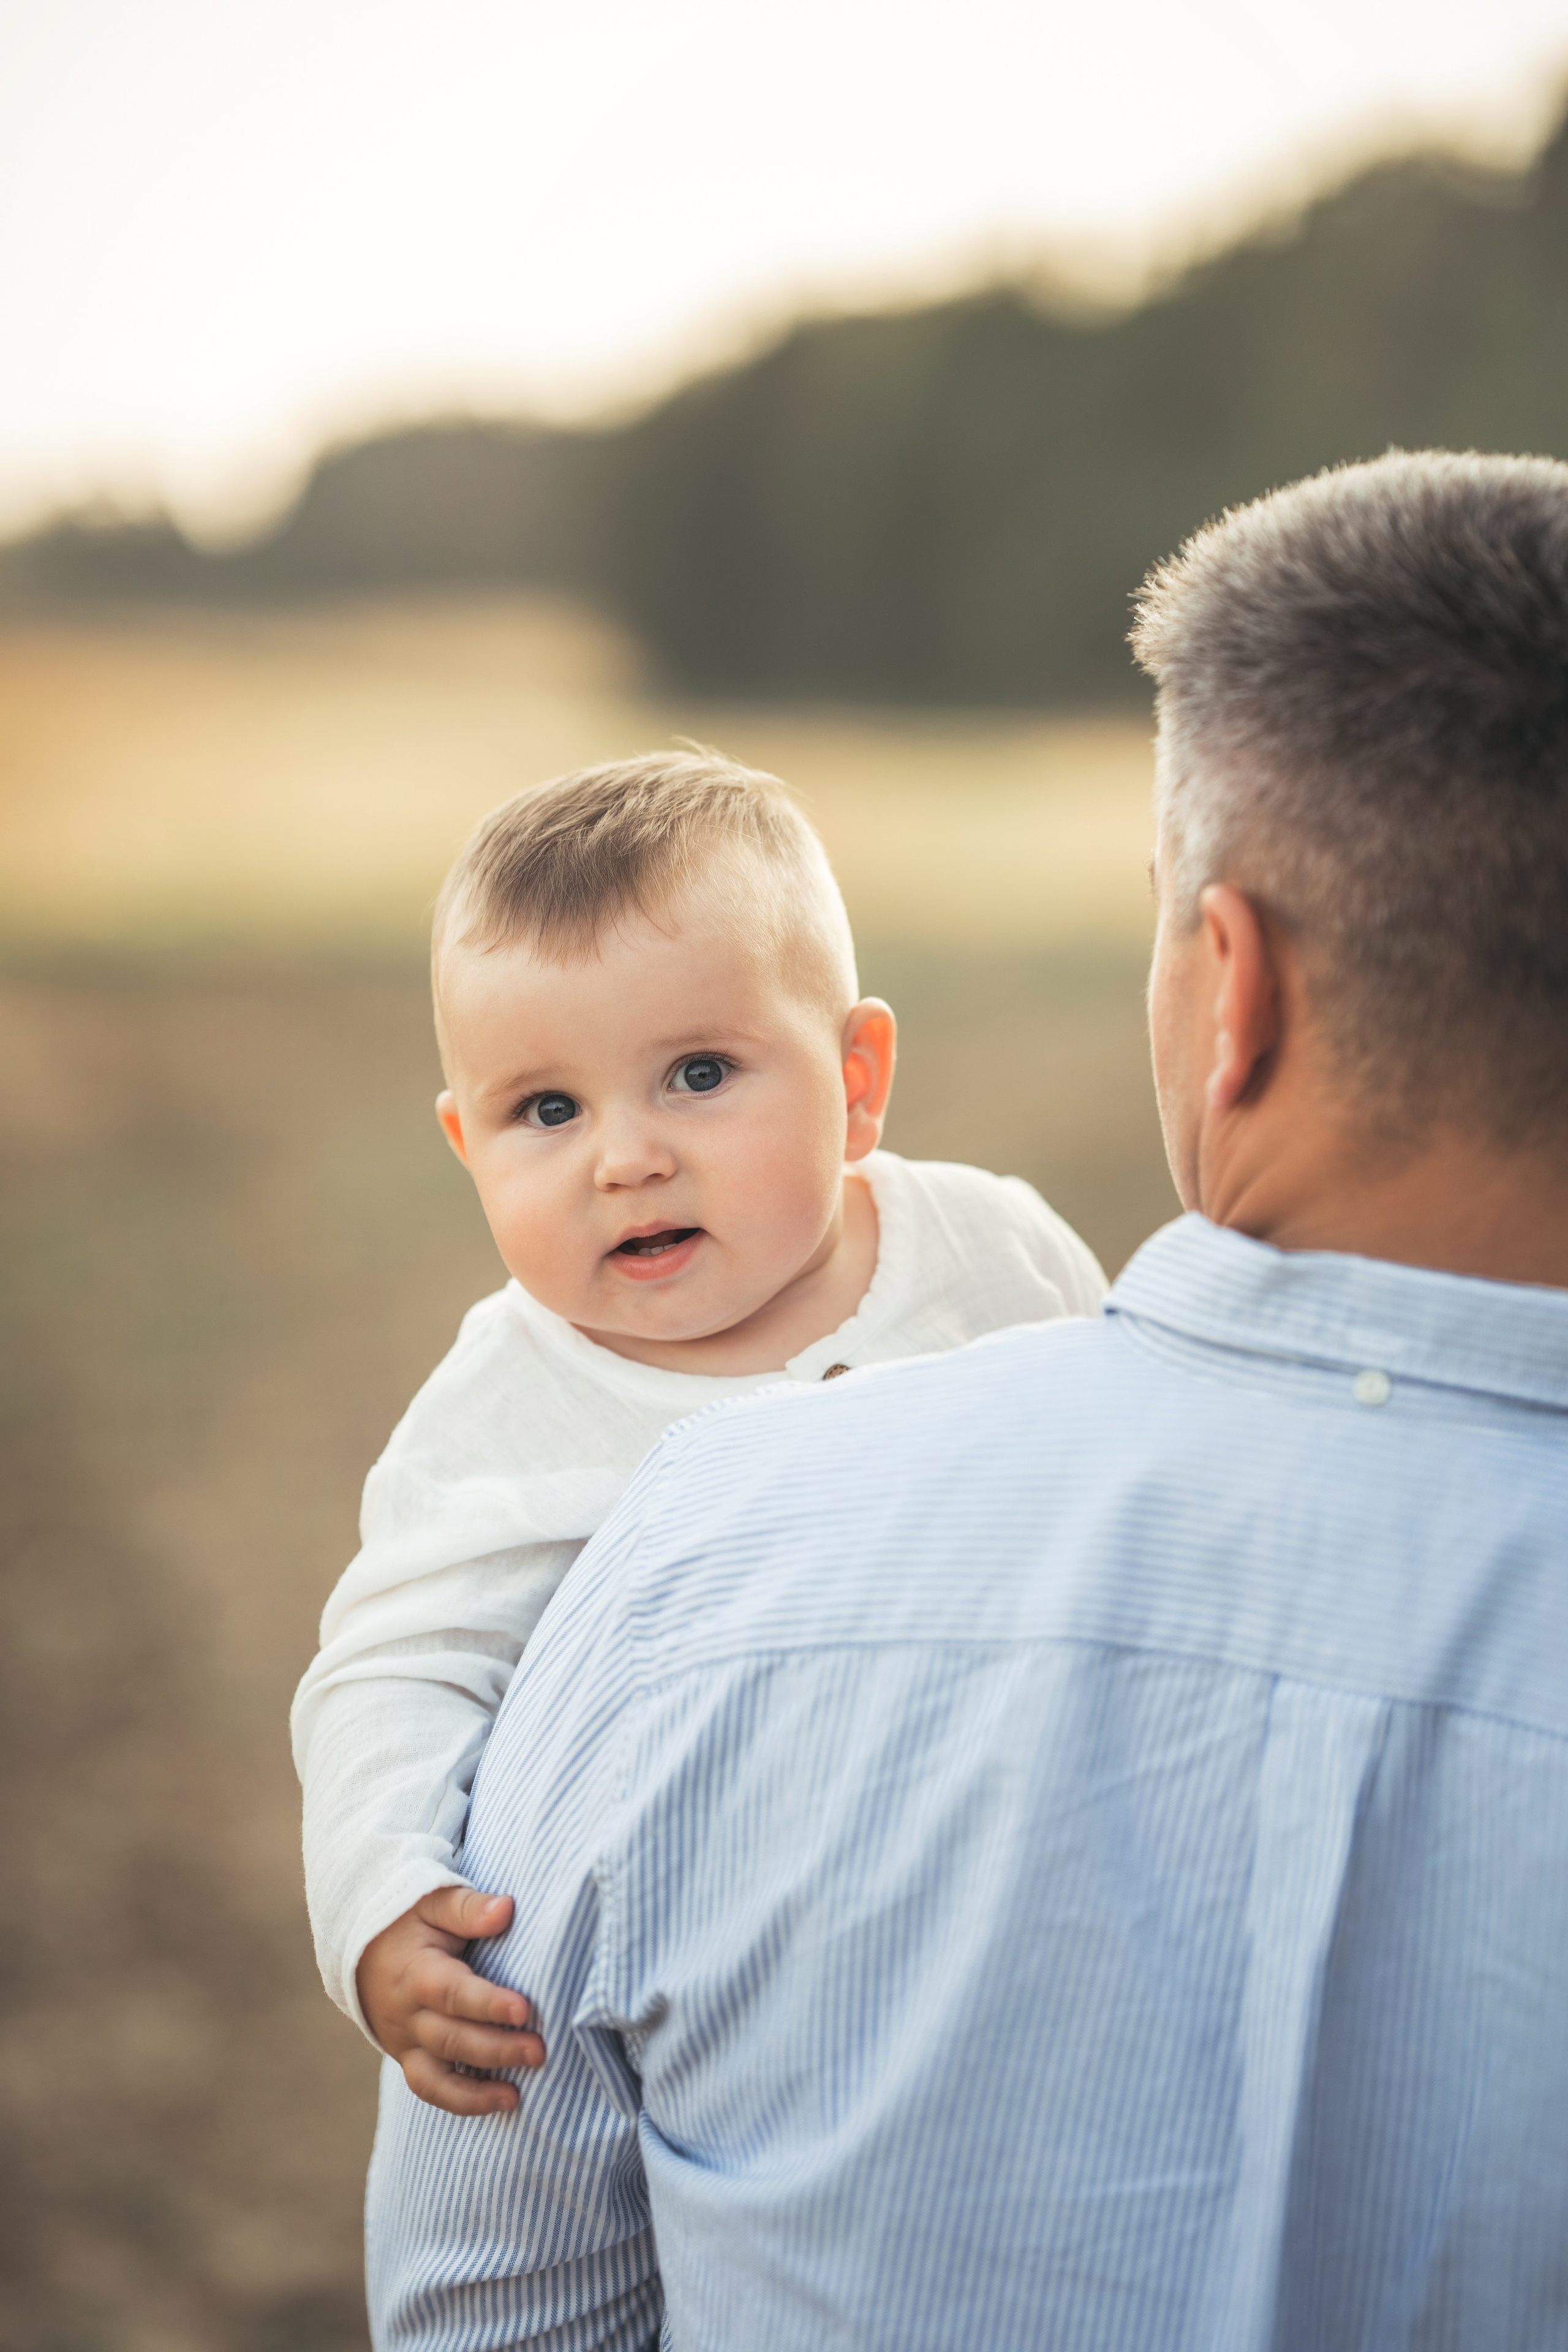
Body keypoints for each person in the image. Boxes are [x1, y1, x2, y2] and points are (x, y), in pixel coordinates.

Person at [364, 450, 1568, 2351]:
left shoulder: (686, 1571)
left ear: (1229, 989)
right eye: (547, 1113)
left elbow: (489, 2308)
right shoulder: (549, 1450)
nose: (628, 1161)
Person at [292, 753, 1104, 2100]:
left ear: (856, 1079)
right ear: (464, 1147)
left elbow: (1126, 1484)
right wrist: (381, 1896)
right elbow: (393, 1672)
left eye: (698, 1074)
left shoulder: (991, 1251)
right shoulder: (503, 1409)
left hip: (1021, 1883)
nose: (625, 1157)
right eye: (545, 1110)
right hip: (720, 1967)